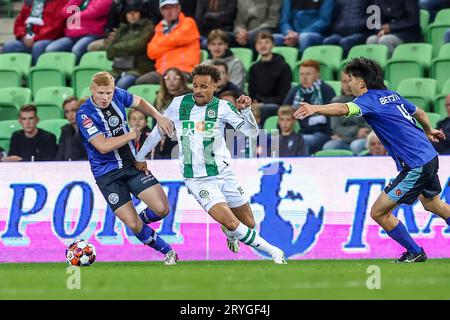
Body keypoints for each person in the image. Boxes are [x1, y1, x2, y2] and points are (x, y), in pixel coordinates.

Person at [294, 57, 450, 263]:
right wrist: (429, 130)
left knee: (378, 212)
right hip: (428, 156)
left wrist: (315, 108)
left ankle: (415, 252)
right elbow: (419, 112)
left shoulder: (368, 100)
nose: (348, 83)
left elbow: (342, 109)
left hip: (416, 164)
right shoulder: (391, 95)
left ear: (361, 83)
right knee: (433, 204)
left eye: (350, 79)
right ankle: (415, 252)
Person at [135, 64, 287, 263]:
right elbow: (159, 130)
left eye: (204, 87)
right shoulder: (179, 104)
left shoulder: (223, 107)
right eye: (195, 85)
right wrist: (140, 156)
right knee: (232, 222)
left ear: (216, 85)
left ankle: (231, 233)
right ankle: (275, 252)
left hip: (224, 174)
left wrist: (248, 111)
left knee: (248, 224)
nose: (198, 91)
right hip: (198, 179)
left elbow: (251, 133)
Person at [76, 71, 178, 265]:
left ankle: (140, 223)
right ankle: (168, 251)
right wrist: (130, 136)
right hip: (107, 175)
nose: (105, 97)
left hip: (132, 165)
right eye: (100, 93)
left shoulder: (119, 95)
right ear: (92, 90)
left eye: (109, 93)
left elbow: (139, 102)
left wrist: (158, 116)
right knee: (131, 224)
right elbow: (103, 146)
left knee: (162, 209)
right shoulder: (85, 114)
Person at [135, 0, 200, 85]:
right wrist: (173, 44)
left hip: (184, 69)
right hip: (162, 72)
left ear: (178, 8)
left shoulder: (189, 22)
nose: (169, 11)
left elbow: (177, 39)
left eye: (172, 7)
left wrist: (161, 44)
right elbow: (151, 52)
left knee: (174, 81)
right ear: (161, 11)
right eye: (165, 8)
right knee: (141, 82)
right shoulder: (159, 27)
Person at [284, 59, 335, 154]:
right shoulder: (295, 91)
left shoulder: (326, 90)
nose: (304, 78)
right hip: (299, 132)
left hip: (321, 133)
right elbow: (284, 111)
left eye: (308, 74)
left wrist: (330, 134)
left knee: (302, 141)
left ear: (317, 75)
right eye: (302, 74)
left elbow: (332, 115)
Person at [106, 0, 155, 89]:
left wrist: (118, 47)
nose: (132, 15)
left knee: (122, 84)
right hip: (117, 69)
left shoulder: (148, 26)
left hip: (138, 69)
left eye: (135, 12)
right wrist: (128, 49)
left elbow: (139, 45)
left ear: (141, 13)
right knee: (101, 83)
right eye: (129, 12)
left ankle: (116, 103)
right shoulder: (122, 28)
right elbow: (109, 53)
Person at [45, 0, 113, 64]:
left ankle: (74, 72)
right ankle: (59, 74)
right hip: (72, 34)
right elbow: (64, 12)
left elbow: (93, 13)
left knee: (77, 49)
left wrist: (74, 16)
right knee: (51, 49)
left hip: (91, 33)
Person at [1, 0, 67, 65]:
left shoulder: (61, 2)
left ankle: (34, 73)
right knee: (9, 46)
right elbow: (19, 23)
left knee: (38, 46)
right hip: (27, 39)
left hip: (50, 39)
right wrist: (24, 36)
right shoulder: (30, 2)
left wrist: (35, 38)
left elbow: (57, 27)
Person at [322, 71, 370, 154]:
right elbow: (336, 128)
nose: (347, 85)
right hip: (345, 140)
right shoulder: (336, 101)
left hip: (363, 139)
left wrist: (343, 137)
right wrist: (356, 130)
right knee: (328, 147)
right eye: (344, 81)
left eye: (350, 81)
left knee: (355, 145)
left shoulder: (367, 100)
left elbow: (367, 129)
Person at [249, 31, 292, 107]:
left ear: (273, 45)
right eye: (260, 43)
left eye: (267, 42)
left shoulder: (284, 66)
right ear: (255, 46)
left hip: (276, 104)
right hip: (256, 104)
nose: (263, 45)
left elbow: (283, 95)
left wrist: (263, 103)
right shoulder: (254, 68)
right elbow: (251, 92)